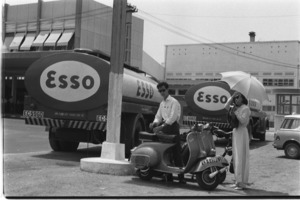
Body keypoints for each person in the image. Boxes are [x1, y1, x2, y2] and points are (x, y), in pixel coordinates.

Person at [149, 81, 185, 183]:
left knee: (176, 153)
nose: (162, 92)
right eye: (160, 91)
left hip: (172, 128)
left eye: (163, 90)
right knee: (165, 153)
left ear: (167, 89)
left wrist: (160, 128)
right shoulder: (162, 103)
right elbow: (158, 116)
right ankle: (168, 177)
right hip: (165, 128)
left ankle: (181, 178)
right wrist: (154, 123)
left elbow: (172, 118)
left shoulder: (174, 102)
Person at [224, 91, 251, 190]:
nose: (236, 99)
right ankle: (237, 181)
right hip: (236, 132)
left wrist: (235, 111)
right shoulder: (236, 107)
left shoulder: (246, 108)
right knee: (235, 157)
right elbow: (225, 106)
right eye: (235, 98)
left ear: (243, 99)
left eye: (238, 97)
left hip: (242, 133)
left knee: (241, 157)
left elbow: (243, 120)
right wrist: (231, 97)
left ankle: (242, 182)